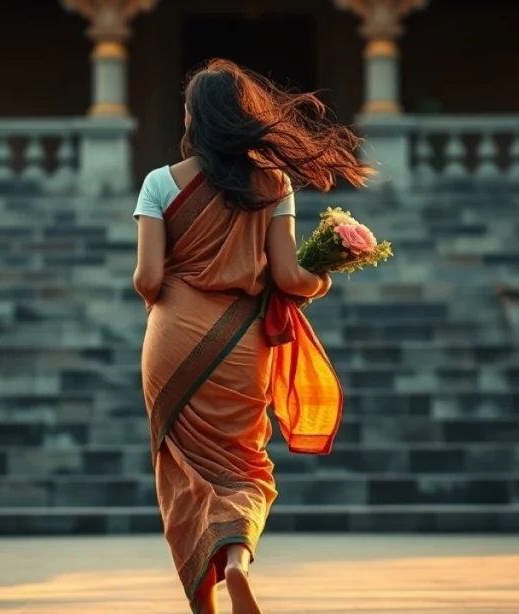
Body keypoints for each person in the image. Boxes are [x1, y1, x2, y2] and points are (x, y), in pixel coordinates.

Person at [132, 58, 374, 614]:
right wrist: (323, 277)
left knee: (182, 470)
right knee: (246, 467)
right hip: (241, 342)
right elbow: (288, 277)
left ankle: (204, 604)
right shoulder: (274, 182)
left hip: (172, 340)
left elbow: (147, 278)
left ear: (193, 117)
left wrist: (174, 294)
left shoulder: (159, 183)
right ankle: (238, 560)